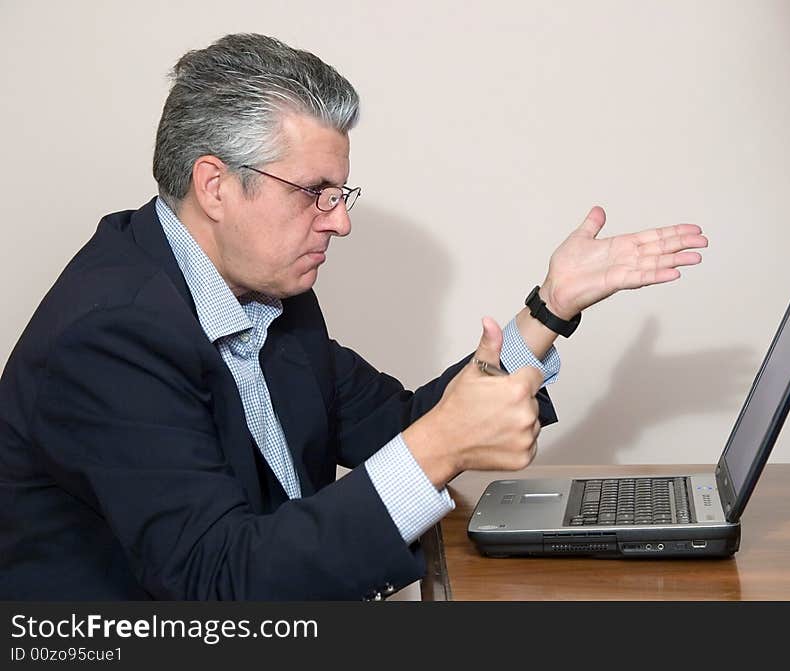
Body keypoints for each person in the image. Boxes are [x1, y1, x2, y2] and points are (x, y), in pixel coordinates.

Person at [0, 33, 707, 600]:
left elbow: (397, 426)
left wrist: (549, 308)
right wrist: (441, 447)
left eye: (342, 192)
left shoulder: (270, 292)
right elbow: (218, 582)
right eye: (315, 193)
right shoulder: (110, 334)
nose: (339, 222)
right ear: (215, 186)